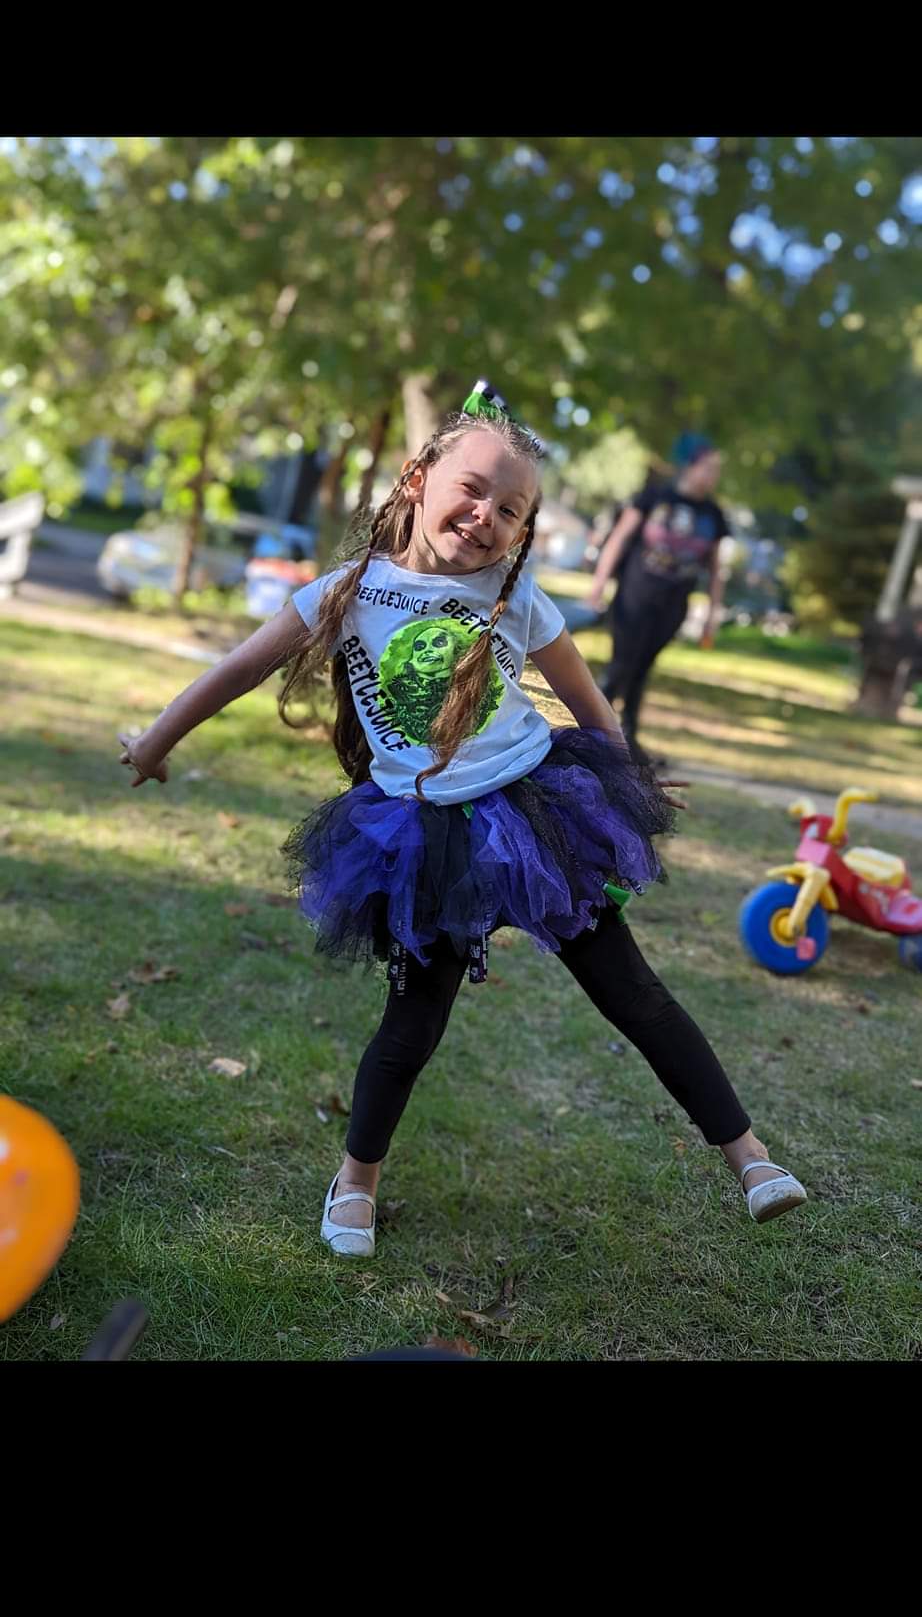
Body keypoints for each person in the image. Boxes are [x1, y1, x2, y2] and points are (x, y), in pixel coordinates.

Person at [118, 383, 805, 1261]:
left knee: (634, 993)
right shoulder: (345, 590)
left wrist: (633, 785)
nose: (484, 516)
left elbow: (593, 709)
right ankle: (355, 1183)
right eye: (472, 490)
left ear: (523, 534)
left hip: (540, 818)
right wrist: (154, 743)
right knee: (414, 1022)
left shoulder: (516, 599)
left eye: (509, 510)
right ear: (415, 479)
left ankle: (752, 1161)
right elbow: (234, 671)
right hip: (425, 838)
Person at [587, 434, 730, 760]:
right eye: (708, 468)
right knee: (622, 664)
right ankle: (593, 733)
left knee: (642, 669)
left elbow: (716, 569)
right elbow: (620, 538)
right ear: (690, 467)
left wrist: (712, 613)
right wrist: (599, 583)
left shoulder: (713, 514)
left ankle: (627, 738)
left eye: (716, 471)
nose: (712, 476)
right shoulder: (654, 497)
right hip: (634, 595)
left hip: (673, 605)